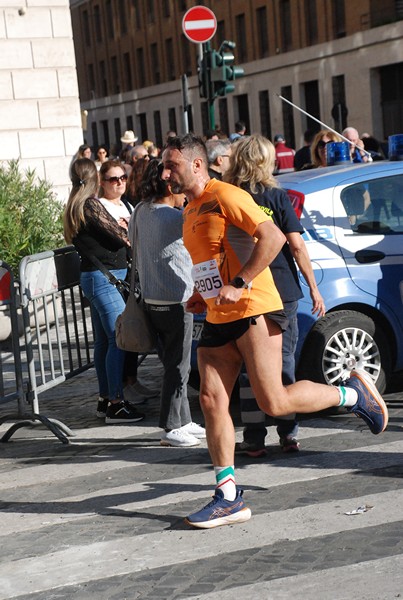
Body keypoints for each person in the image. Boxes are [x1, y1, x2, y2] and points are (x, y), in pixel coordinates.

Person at [161, 133, 388, 529]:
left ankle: (352, 394)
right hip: (217, 315)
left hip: (254, 309)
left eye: (172, 165)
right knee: (213, 401)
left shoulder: (227, 194)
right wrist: (202, 293)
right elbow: (213, 257)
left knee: (275, 403)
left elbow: (274, 237)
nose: (165, 173)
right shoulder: (190, 207)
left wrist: (242, 282)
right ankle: (228, 495)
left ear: (197, 164)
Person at [225, 134, 326, 457]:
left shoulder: (230, 197)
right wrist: (312, 286)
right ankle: (288, 433)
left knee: (247, 368)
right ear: (265, 161)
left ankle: (254, 438)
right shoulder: (277, 198)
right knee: (283, 365)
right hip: (282, 290)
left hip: (244, 290)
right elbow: (296, 245)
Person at [129, 159, 206, 447]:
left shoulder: (139, 211)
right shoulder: (176, 218)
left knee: (174, 363)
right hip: (177, 299)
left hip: (150, 298)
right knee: (178, 366)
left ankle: (183, 419)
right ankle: (171, 426)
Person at [63, 158, 145, 424]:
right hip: (104, 278)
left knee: (104, 342)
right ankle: (116, 404)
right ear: (96, 179)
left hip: (97, 277)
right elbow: (119, 235)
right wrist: (124, 229)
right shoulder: (90, 205)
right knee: (118, 339)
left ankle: (104, 399)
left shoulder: (76, 205)